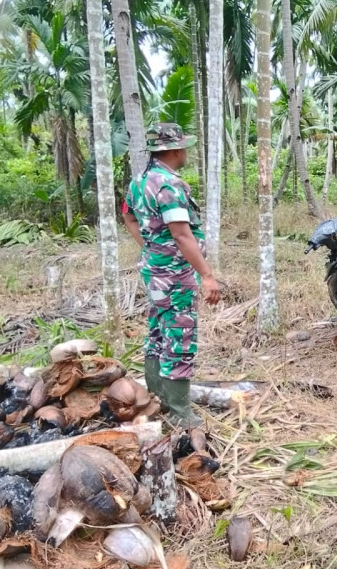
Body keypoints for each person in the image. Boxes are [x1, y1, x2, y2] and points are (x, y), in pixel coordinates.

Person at [122, 123, 221, 429]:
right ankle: (179, 413)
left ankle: (156, 399)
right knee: (178, 337)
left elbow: (126, 214)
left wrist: (151, 247)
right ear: (176, 149)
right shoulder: (168, 185)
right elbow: (181, 235)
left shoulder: (140, 180)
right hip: (175, 276)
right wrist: (207, 275)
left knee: (158, 332)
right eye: (185, 147)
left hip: (155, 272)